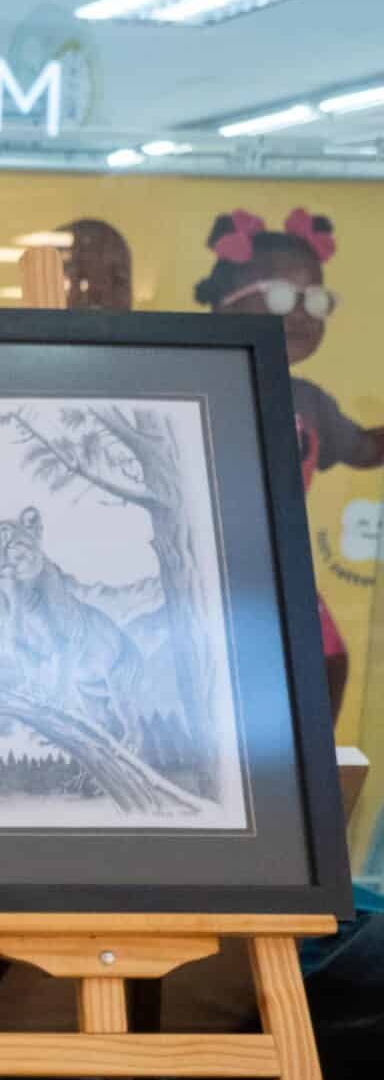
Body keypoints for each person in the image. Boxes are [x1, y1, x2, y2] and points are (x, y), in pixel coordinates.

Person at [194, 206, 384, 715]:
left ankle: (314, 777)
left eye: (314, 300)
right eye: (282, 296)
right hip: (207, 568)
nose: (301, 314)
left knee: (325, 662)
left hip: (282, 568)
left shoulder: (310, 401)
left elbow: (363, 449)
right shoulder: (199, 388)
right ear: (224, 307)